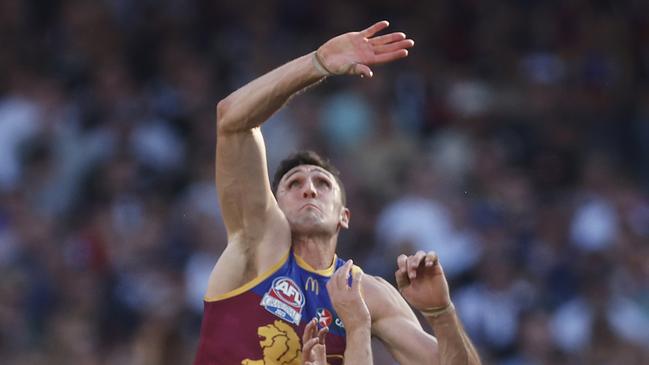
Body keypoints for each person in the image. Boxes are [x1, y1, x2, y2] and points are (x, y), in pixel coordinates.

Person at [193, 20, 480, 365]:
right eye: (293, 184)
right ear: (275, 207)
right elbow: (232, 121)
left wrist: (441, 312)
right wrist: (317, 63)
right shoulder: (257, 246)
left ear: (344, 215)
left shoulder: (366, 293)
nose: (309, 189)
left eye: (323, 183)